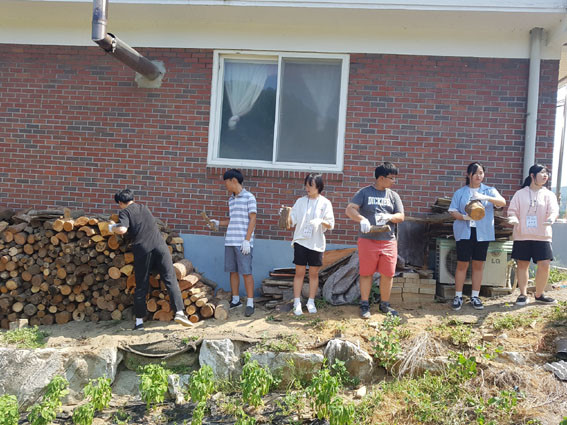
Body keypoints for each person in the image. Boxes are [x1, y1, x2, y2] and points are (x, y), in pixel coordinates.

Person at [109, 189, 192, 330]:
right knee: (170, 279)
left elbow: (122, 230)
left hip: (143, 250)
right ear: (133, 199)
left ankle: (139, 322)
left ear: (121, 203)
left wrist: (112, 227)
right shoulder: (144, 207)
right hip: (160, 247)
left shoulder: (125, 212)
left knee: (141, 284)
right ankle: (179, 312)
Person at [346, 162, 404, 318]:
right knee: (366, 273)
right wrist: (362, 219)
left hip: (388, 241)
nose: (394, 181)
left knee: (388, 274)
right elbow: (350, 209)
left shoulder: (393, 196)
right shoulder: (364, 192)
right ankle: (365, 304)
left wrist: (389, 216)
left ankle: (384, 305)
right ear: (381, 178)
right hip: (368, 240)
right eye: (391, 178)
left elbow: (401, 216)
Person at [448, 162, 506, 311]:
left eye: (481, 173)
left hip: (483, 232)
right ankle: (458, 296)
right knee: (462, 263)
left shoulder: (490, 190)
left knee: (478, 264)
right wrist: (464, 217)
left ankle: (475, 296)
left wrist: (485, 197)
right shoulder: (461, 192)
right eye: (475, 173)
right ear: (469, 175)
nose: (478, 176)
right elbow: (452, 210)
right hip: (464, 231)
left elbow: (502, 202)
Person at [508, 164, 559, 306]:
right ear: (532, 175)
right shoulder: (520, 194)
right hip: (522, 234)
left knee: (544, 264)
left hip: (542, 235)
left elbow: (554, 210)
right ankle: (523, 294)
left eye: (546, 173)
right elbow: (512, 210)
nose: (545, 176)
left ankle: (539, 294)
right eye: (542, 173)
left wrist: (551, 218)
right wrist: (513, 218)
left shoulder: (549, 194)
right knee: (522, 264)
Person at [209, 169, 257, 317]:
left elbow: (253, 219)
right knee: (233, 271)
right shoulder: (231, 200)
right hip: (230, 240)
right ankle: (236, 300)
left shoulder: (249, 197)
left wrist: (247, 240)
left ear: (234, 181)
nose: (226, 186)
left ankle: (250, 303)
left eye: (227, 182)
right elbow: (233, 220)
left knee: (246, 272)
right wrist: (218, 223)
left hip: (243, 243)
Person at [285, 174, 335, 316]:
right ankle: (296, 302)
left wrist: (320, 221)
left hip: (316, 243)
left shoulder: (325, 203)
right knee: (299, 273)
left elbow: (331, 224)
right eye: (306, 185)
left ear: (318, 186)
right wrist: (285, 215)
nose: (307, 188)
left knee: (313, 274)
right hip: (301, 241)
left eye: (310, 186)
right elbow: (291, 221)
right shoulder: (300, 201)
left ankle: (311, 301)